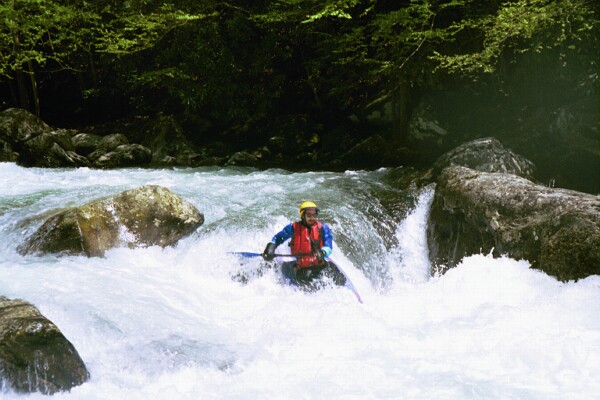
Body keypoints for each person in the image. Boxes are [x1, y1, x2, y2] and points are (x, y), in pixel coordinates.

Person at [262, 201, 346, 287]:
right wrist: (270, 247)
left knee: (337, 277)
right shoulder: (293, 228)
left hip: (319, 264)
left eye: (314, 215)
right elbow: (278, 238)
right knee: (305, 279)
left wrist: (323, 252)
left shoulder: (323, 228)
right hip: (302, 267)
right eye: (309, 215)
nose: (312, 218)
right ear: (303, 216)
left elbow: (328, 244)